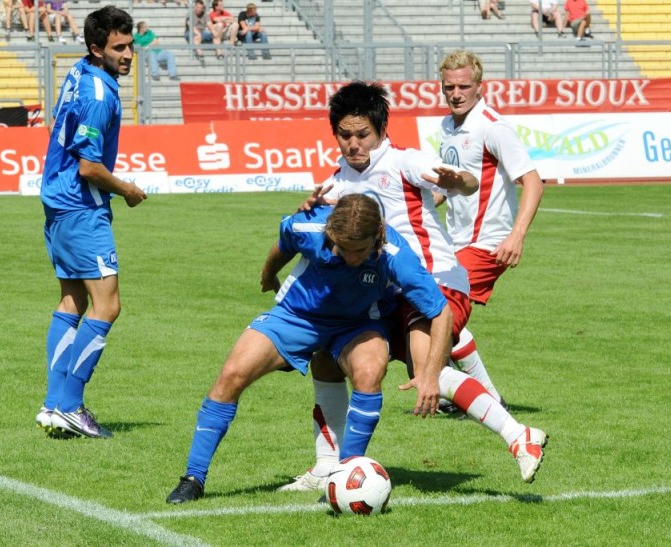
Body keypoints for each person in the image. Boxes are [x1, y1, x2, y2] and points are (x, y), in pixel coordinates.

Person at [278, 81, 547, 492]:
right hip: (387, 292)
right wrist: (309, 208)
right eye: (345, 135)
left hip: (435, 280)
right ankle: (326, 465)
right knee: (327, 355)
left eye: (363, 135)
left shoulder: (405, 162)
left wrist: (459, 180)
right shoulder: (336, 182)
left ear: (382, 131)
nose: (354, 144)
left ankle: (518, 435)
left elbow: (460, 184)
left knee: (428, 372)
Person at [165, 194, 454, 504]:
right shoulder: (309, 226)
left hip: (358, 324)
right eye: (343, 248)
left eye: (359, 250)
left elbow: (441, 311)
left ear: (378, 236)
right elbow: (283, 243)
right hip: (296, 315)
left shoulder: (396, 253)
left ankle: (342, 480)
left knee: (370, 372)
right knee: (233, 373)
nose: (351, 258)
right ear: (331, 234)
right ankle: (193, 477)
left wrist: (430, 374)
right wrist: (268, 273)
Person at [36, 5, 147, 440]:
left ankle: (52, 404)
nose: (127, 55)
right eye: (118, 47)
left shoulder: (80, 71)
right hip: (82, 207)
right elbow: (89, 167)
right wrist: (129, 191)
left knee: (72, 302)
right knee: (108, 305)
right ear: (96, 47)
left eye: (130, 45)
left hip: (57, 202)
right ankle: (70, 404)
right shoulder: (101, 95)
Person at [435, 48, 544, 403]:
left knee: (437, 320)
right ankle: (488, 398)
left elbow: (533, 181)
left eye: (463, 86)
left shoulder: (492, 127)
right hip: (455, 242)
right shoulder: (447, 126)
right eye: (449, 86)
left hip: (487, 243)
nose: (456, 93)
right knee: (434, 313)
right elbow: (447, 186)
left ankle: (458, 393)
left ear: (479, 87)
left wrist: (517, 236)